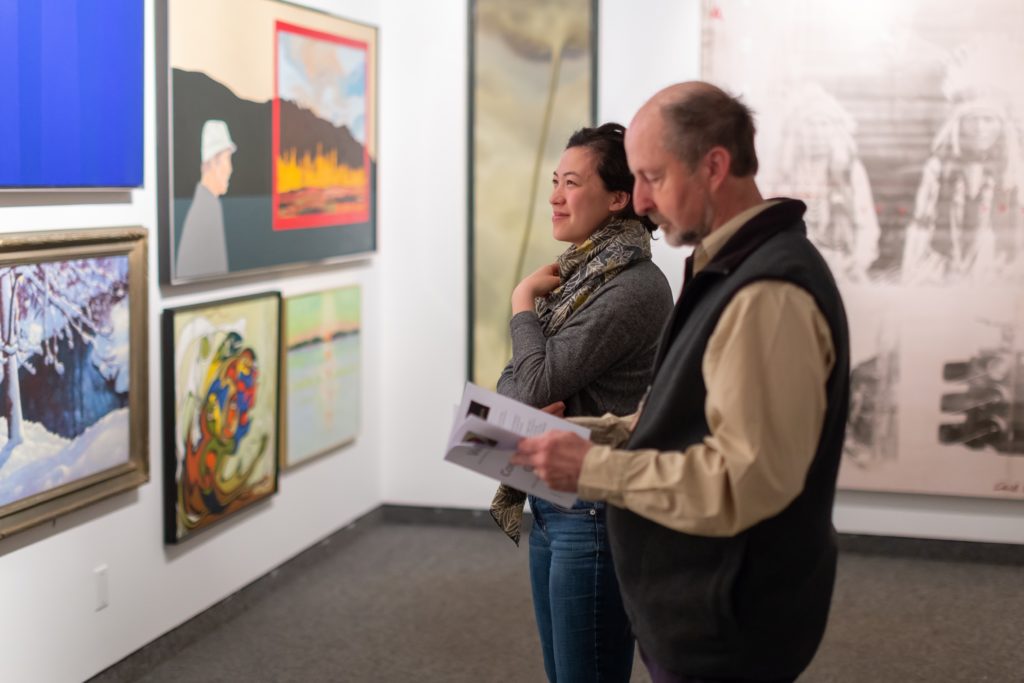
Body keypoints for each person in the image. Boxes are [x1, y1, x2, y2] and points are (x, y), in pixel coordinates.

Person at [511, 82, 851, 683]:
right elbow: (678, 412)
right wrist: (590, 433)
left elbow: (743, 480)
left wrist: (591, 468)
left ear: (714, 166)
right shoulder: (730, 268)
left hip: (730, 613)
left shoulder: (767, 292)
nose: (639, 201)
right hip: (705, 594)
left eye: (653, 177)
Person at [490, 122, 673, 683]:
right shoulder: (577, 279)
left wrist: (521, 302)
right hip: (552, 501)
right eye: (555, 180)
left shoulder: (631, 288)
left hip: (592, 514)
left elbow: (530, 387)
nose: (554, 196)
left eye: (571, 182)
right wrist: (523, 392)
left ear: (618, 198)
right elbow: (515, 385)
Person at [176, 119, 236, 279]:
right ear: (213, 162)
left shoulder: (209, 204)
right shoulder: (205, 210)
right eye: (227, 159)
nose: (230, 168)